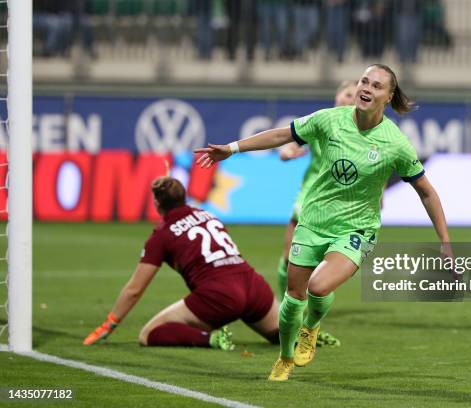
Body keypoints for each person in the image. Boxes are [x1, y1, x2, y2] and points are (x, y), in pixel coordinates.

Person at [194, 64, 451, 381]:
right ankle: (285, 358)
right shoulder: (329, 119)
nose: (366, 88)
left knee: (318, 286)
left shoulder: (395, 143)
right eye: (363, 81)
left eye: (376, 85)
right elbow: (280, 135)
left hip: (357, 228)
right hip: (314, 221)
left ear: (389, 96)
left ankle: (312, 326)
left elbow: (427, 192)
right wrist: (232, 149)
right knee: (293, 297)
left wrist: (445, 241)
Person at [83, 176, 279, 349]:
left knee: (149, 333)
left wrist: (109, 324)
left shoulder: (161, 235)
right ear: (183, 196)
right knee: (284, 334)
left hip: (219, 295)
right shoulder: (208, 215)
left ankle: (210, 339)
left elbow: (135, 289)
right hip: (253, 286)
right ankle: (306, 333)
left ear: (157, 203)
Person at [276, 80, 357, 348]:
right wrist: (288, 152)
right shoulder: (322, 121)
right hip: (309, 196)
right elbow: (294, 142)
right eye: (346, 93)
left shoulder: (356, 129)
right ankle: (286, 314)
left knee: (321, 272)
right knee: (289, 260)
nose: (349, 99)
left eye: (354, 96)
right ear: (337, 94)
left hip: (337, 205)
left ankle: (308, 324)